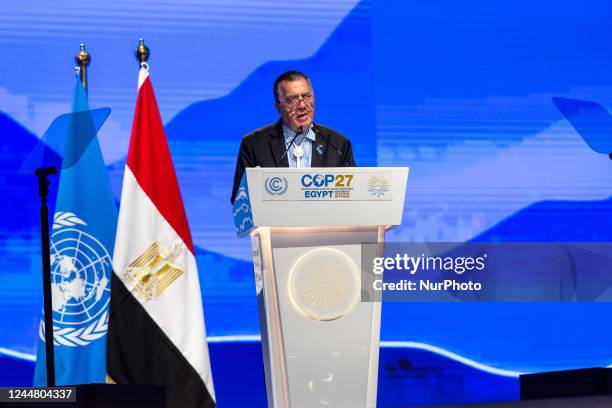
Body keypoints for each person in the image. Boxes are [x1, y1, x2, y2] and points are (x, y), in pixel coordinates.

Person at [231, 70, 356, 203]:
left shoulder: (338, 144)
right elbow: (239, 201)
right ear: (278, 107)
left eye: (307, 96)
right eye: (292, 99)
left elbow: (354, 194)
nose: (302, 105)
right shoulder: (254, 145)